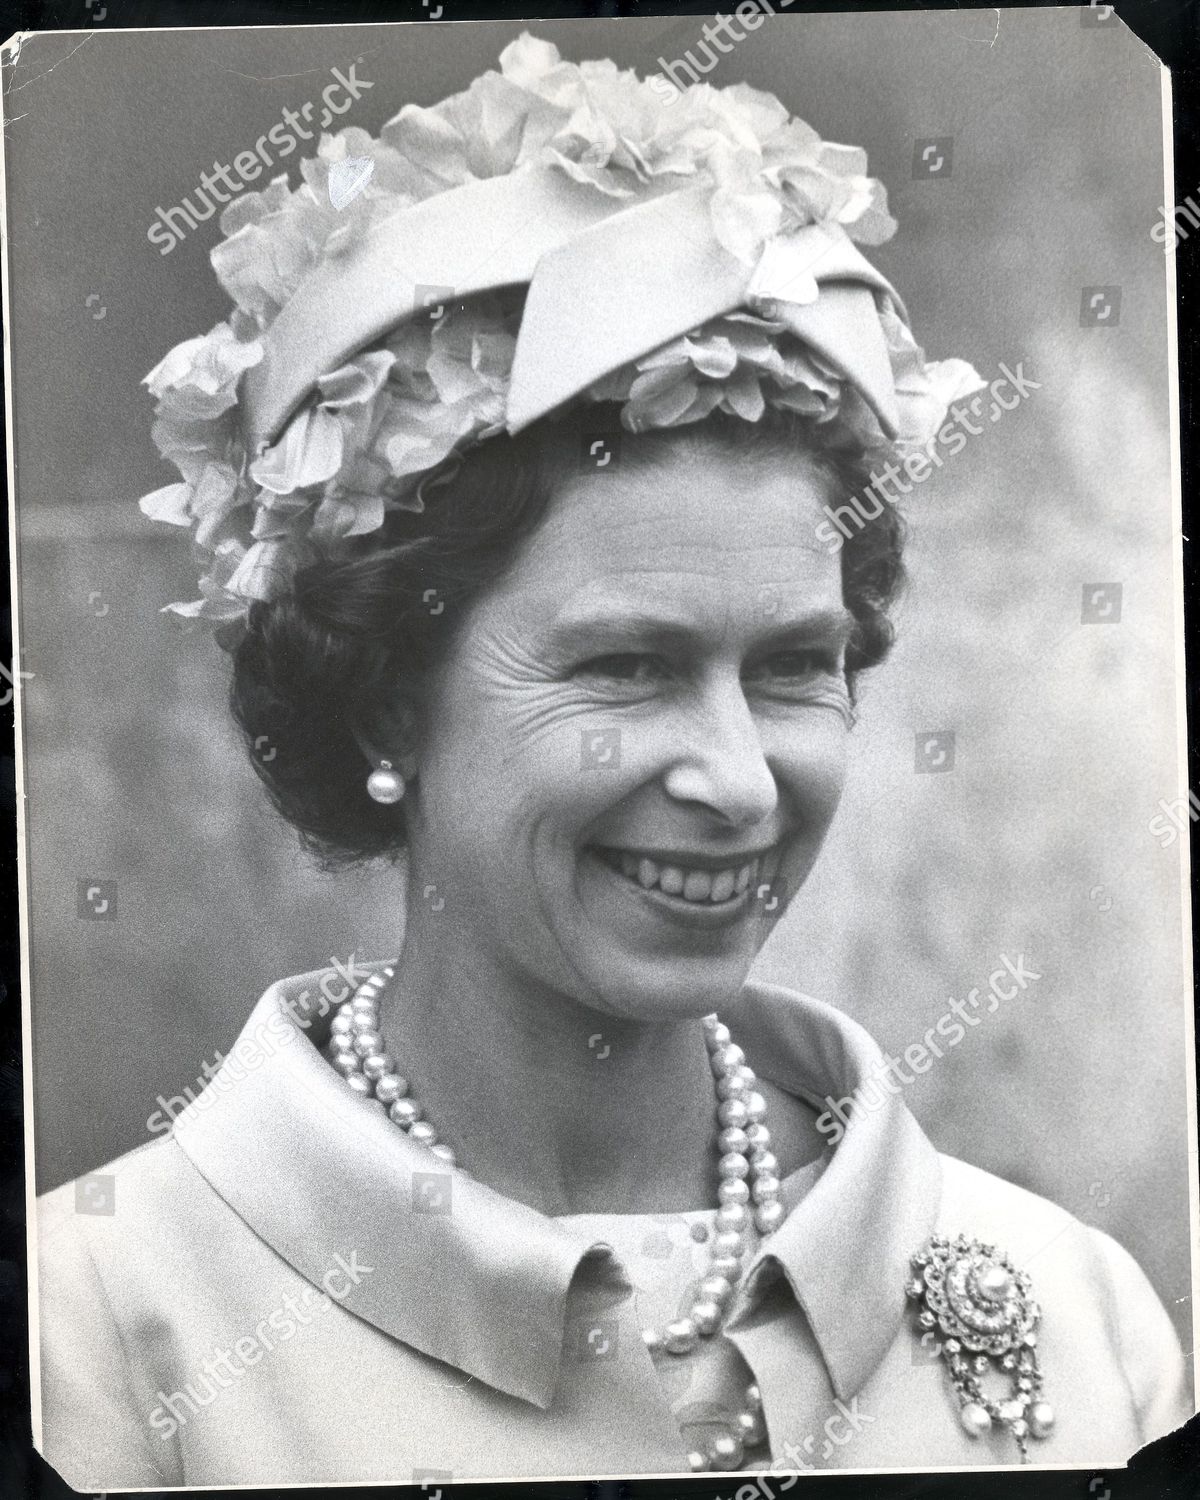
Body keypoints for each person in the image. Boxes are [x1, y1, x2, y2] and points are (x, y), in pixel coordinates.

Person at [36, 34, 1189, 1489]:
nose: (741, 783)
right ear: (385, 698)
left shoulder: (1089, 1322)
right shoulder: (94, 1334)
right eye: (626, 667)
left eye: (791, 667)